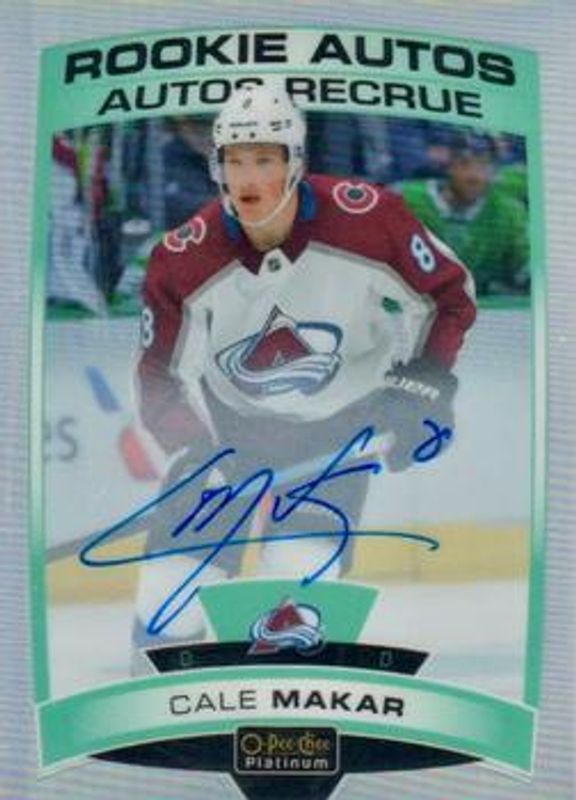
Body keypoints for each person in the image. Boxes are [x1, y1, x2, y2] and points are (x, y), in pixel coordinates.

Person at [132, 83, 476, 659]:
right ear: (216, 167)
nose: (248, 179)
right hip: (230, 436)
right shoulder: (183, 259)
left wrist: (420, 388)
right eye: (235, 161)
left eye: (264, 159)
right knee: (170, 602)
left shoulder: (370, 220)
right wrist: (194, 450)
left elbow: (449, 297)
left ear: (295, 162)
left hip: (336, 440)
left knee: (293, 606)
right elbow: (161, 378)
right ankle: (160, 699)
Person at [398, 132, 529, 295]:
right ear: (449, 166)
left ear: (495, 171)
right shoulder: (406, 200)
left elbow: (526, 265)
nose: (474, 175)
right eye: (464, 164)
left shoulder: (508, 212)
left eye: (484, 165)